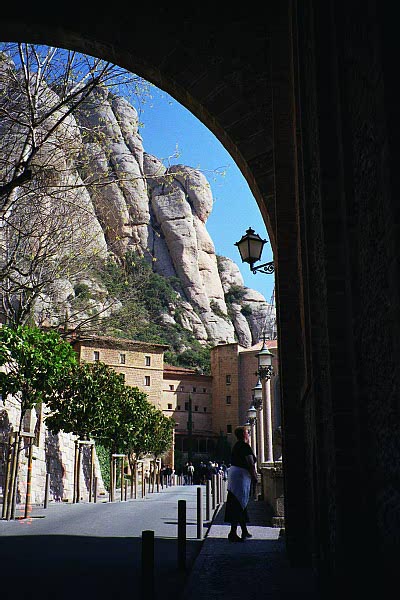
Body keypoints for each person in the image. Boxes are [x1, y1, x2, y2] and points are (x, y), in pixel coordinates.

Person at [224, 425, 257, 542]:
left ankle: (243, 531)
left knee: (238, 502)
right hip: (241, 476)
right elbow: (250, 463)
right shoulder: (245, 446)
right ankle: (233, 533)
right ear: (244, 435)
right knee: (239, 503)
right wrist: (254, 476)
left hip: (234, 474)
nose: (249, 434)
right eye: (247, 432)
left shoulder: (236, 446)